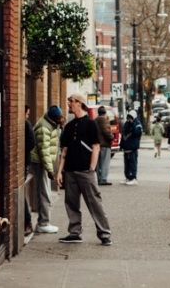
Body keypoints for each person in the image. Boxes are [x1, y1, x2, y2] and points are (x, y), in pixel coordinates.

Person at [57, 93, 112, 246]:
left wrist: (91, 168)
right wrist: (60, 171)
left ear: (79, 103)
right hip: (70, 171)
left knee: (95, 202)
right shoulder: (68, 126)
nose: (68, 105)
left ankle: (104, 234)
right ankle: (74, 232)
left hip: (85, 172)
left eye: (71, 102)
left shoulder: (90, 123)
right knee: (71, 203)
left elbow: (96, 147)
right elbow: (64, 151)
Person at [30, 104, 64, 234]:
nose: (60, 120)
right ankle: (43, 223)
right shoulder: (44, 127)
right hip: (40, 163)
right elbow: (43, 151)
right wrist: (50, 170)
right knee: (44, 192)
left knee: (44, 191)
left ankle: (44, 221)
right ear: (53, 118)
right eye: (59, 118)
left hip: (43, 163)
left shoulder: (51, 124)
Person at [120, 110, 143, 185]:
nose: (129, 119)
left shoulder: (137, 124)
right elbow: (124, 134)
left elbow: (137, 133)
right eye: (128, 117)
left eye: (131, 117)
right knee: (126, 164)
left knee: (133, 163)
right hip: (126, 147)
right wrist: (121, 145)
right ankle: (127, 177)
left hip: (133, 148)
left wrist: (132, 123)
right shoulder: (127, 123)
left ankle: (133, 177)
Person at [24, 105, 37, 236]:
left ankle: (27, 222)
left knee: (21, 192)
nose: (28, 116)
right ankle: (27, 222)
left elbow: (31, 143)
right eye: (27, 113)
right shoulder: (26, 123)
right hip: (24, 162)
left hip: (23, 162)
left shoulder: (26, 124)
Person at [95, 106, 113, 186]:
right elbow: (106, 132)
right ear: (105, 113)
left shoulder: (95, 120)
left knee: (98, 163)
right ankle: (103, 179)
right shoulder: (105, 120)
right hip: (105, 144)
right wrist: (111, 137)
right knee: (105, 162)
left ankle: (98, 178)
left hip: (97, 144)